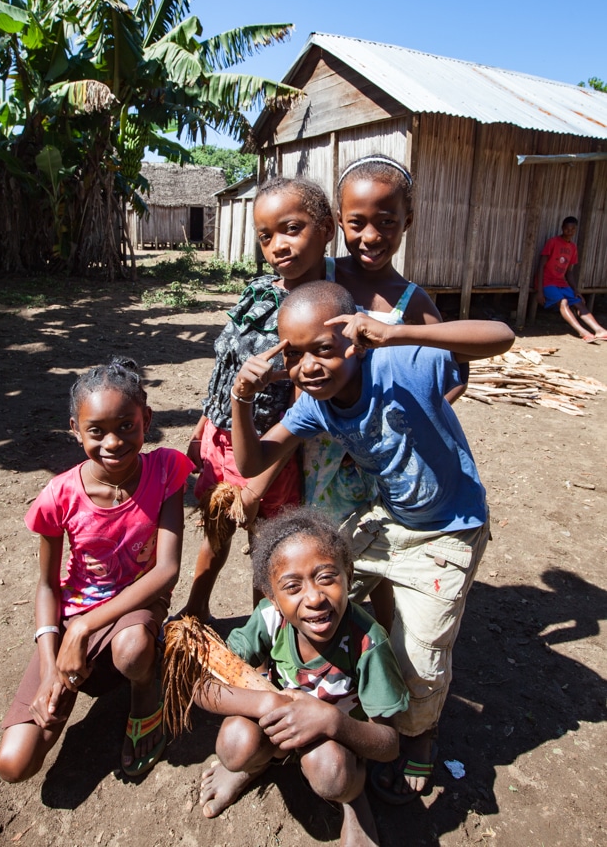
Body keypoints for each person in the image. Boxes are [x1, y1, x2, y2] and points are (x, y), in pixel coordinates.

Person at [229, 282, 515, 804]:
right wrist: (241, 398)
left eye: (323, 348)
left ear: (355, 341)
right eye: (294, 354)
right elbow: (252, 464)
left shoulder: (402, 365)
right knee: (322, 588)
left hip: (449, 528)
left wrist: (398, 331)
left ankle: (419, 730)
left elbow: (502, 335)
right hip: (389, 519)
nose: (309, 366)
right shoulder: (314, 407)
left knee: (421, 654)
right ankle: (334, 691)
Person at [0, 358, 193, 783]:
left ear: (147, 420)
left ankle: (147, 698)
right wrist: (52, 665)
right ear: (74, 429)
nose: (114, 442)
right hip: (76, 613)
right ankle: (86, 672)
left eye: (127, 425)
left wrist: (83, 629)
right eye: (96, 430)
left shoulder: (166, 470)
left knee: (133, 648)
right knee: (16, 763)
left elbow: (166, 571)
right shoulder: (58, 495)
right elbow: (47, 586)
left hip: (138, 604)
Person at [305, 154, 466, 629]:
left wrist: (403, 429)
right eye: (356, 223)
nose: (371, 236)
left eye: (387, 222)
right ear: (338, 222)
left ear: (407, 223)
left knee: (375, 549)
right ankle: (311, 646)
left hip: (376, 458)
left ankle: (379, 641)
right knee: (318, 541)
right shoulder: (322, 276)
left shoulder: (410, 301)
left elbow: (455, 373)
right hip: (318, 445)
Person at [196, 509, 409, 847]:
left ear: (348, 575)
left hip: (334, 743)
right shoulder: (269, 620)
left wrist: (332, 722)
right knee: (235, 744)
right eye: (292, 587)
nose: (313, 598)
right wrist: (269, 701)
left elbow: (388, 744)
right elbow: (202, 686)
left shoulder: (368, 641)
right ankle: (254, 765)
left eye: (326, 577)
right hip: (274, 723)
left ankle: (354, 799)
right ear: (272, 597)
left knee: (332, 773)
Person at [184, 176, 335, 622]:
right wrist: (202, 426)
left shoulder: (322, 312)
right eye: (266, 236)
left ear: (326, 229)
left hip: (272, 455)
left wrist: (256, 485)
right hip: (221, 433)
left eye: (292, 229)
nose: (278, 246)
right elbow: (226, 367)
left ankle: (265, 638)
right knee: (215, 532)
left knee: (267, 548)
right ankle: (195, 609)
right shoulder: (260, 291)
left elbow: (302, 409)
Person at [536, 216, 607, 342]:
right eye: (567, 228)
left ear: (575, 230)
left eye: (572, 229)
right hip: (547, 282)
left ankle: (599, 330)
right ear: (562, 228)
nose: (570, 231)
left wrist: (576, 290)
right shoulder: (553, 242)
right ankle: (583, 332)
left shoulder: (573, 247)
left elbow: (569, 272)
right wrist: (540, 291)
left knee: (579, 302)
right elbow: (541, 265)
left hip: (561, 283)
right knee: (563, 302)